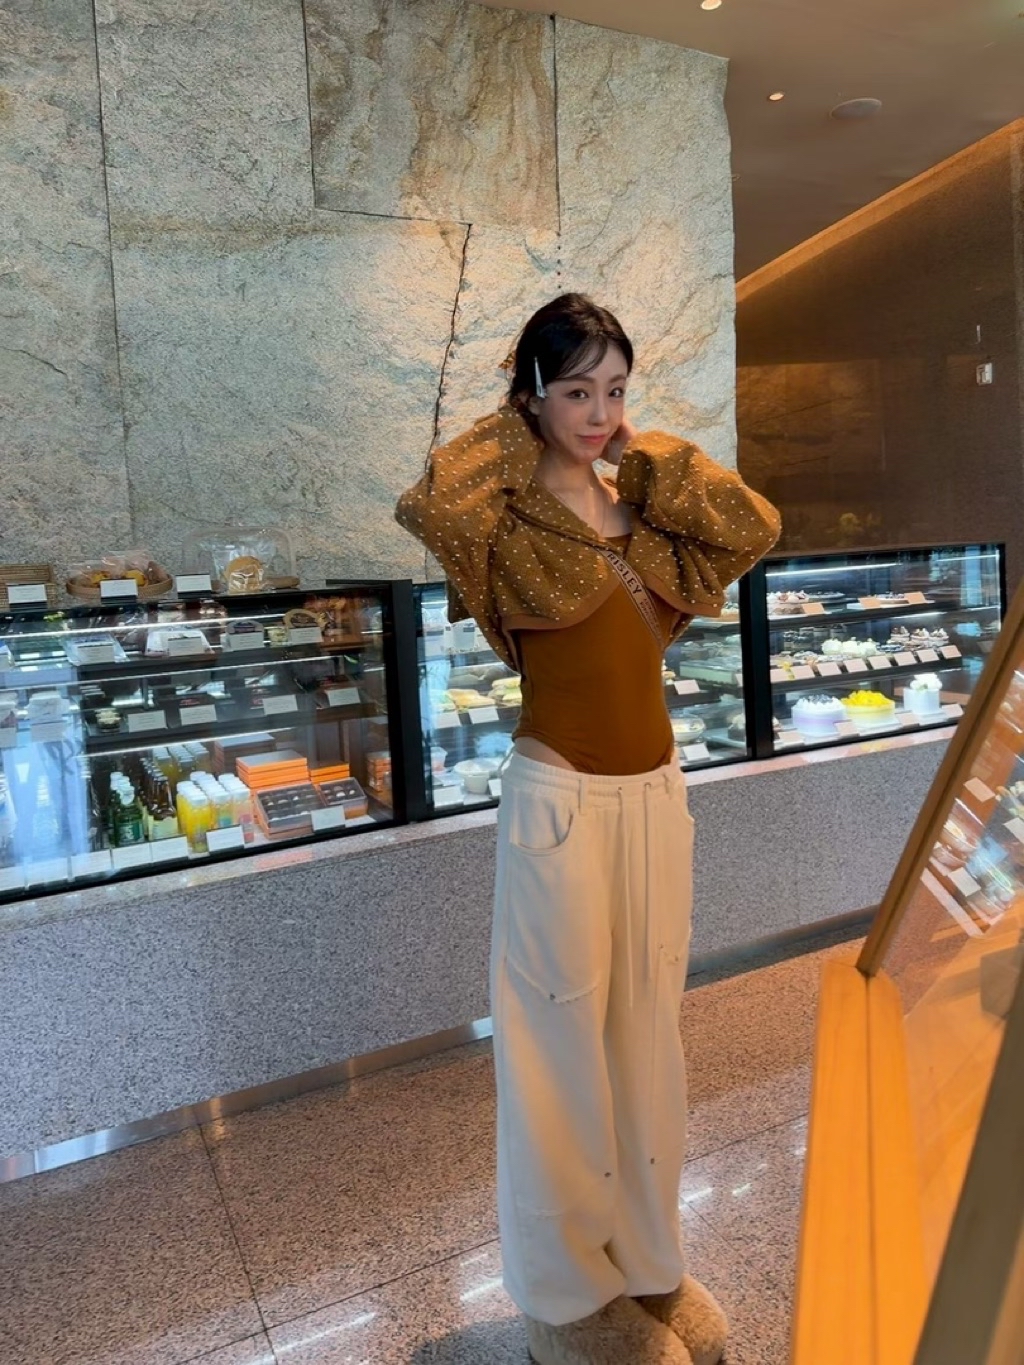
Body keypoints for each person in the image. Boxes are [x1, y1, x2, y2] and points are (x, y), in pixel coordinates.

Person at [396, 293, 780, 1365]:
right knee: (555, 1051)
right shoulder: (502, 522)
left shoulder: (645, 511)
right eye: (575, 391)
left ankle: (649, 1266)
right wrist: (521, 423)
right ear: (532, 395)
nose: (599, 413)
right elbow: (428, 500)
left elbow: (754, 526)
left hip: (656, 799)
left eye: (614, 390)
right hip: (558, 806)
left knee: (647, 1041)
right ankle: (566, 1300)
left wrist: (640, 454)